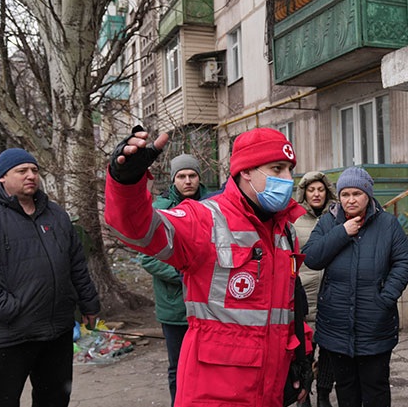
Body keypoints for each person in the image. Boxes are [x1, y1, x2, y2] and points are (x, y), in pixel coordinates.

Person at [104, 127, 312, 407]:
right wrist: (127, 183)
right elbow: (138, 230)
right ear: (246, 171)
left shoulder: (285, 232)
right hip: (213, 394)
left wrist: (301, 357)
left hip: (269, 392)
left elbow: (289, 308)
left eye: (289, 169)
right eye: (277, 169)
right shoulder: (204, 218)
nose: (288, 179)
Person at [0, 148, 100, 407]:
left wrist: (88, 304)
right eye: (21, 171)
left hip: (56, 330)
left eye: (34, 170)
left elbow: (76, 264)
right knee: (0, 401)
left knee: (55, 400)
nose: (31, 175)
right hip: (10, 333)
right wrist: (8, 309)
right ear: (2, 177)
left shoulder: (56, 214)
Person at [302, 166, 408, 407]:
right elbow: (311, 257)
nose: (350, 200)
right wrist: (342, 232)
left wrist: (386, 297)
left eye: (356, 194)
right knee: (346, 390)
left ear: (368, 195)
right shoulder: (329, 221)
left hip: (375, 325)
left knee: (376, 390)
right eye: (345, 194)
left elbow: (404, 261)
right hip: (336, 325)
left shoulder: (387, 224)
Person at [139, 153, 209, 406]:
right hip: (175, 306)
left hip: (210, 304)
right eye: (181, 176)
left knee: (209, 366)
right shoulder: (160, 210)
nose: (187, 181)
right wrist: (185, 273)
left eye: (192, 175)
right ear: (173, 179)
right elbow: (148, 258)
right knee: (178, 366)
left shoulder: (213, 206)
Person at [294, 171, 338, 407]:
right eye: (311, 190)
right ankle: (304, 395)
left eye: (320, 189)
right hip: (305, 298)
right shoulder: (295, 221)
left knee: (329, 353)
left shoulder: (336, 219)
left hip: (331, 298)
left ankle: (323, 395)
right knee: (305, 352)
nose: (316, 194)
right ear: (304, 193)